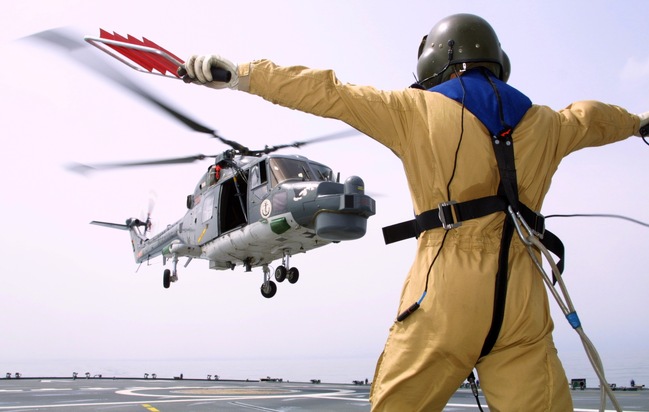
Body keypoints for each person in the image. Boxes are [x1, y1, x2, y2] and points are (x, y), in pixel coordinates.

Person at [181, 13, 648, 411]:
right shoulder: (547, 122)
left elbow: (329, 92)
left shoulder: (414, 110)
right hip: (523, 296)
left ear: (437, 62)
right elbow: (591, 116)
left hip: (446, 291)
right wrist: (638, 123)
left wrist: (243, 74)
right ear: (496, 61)